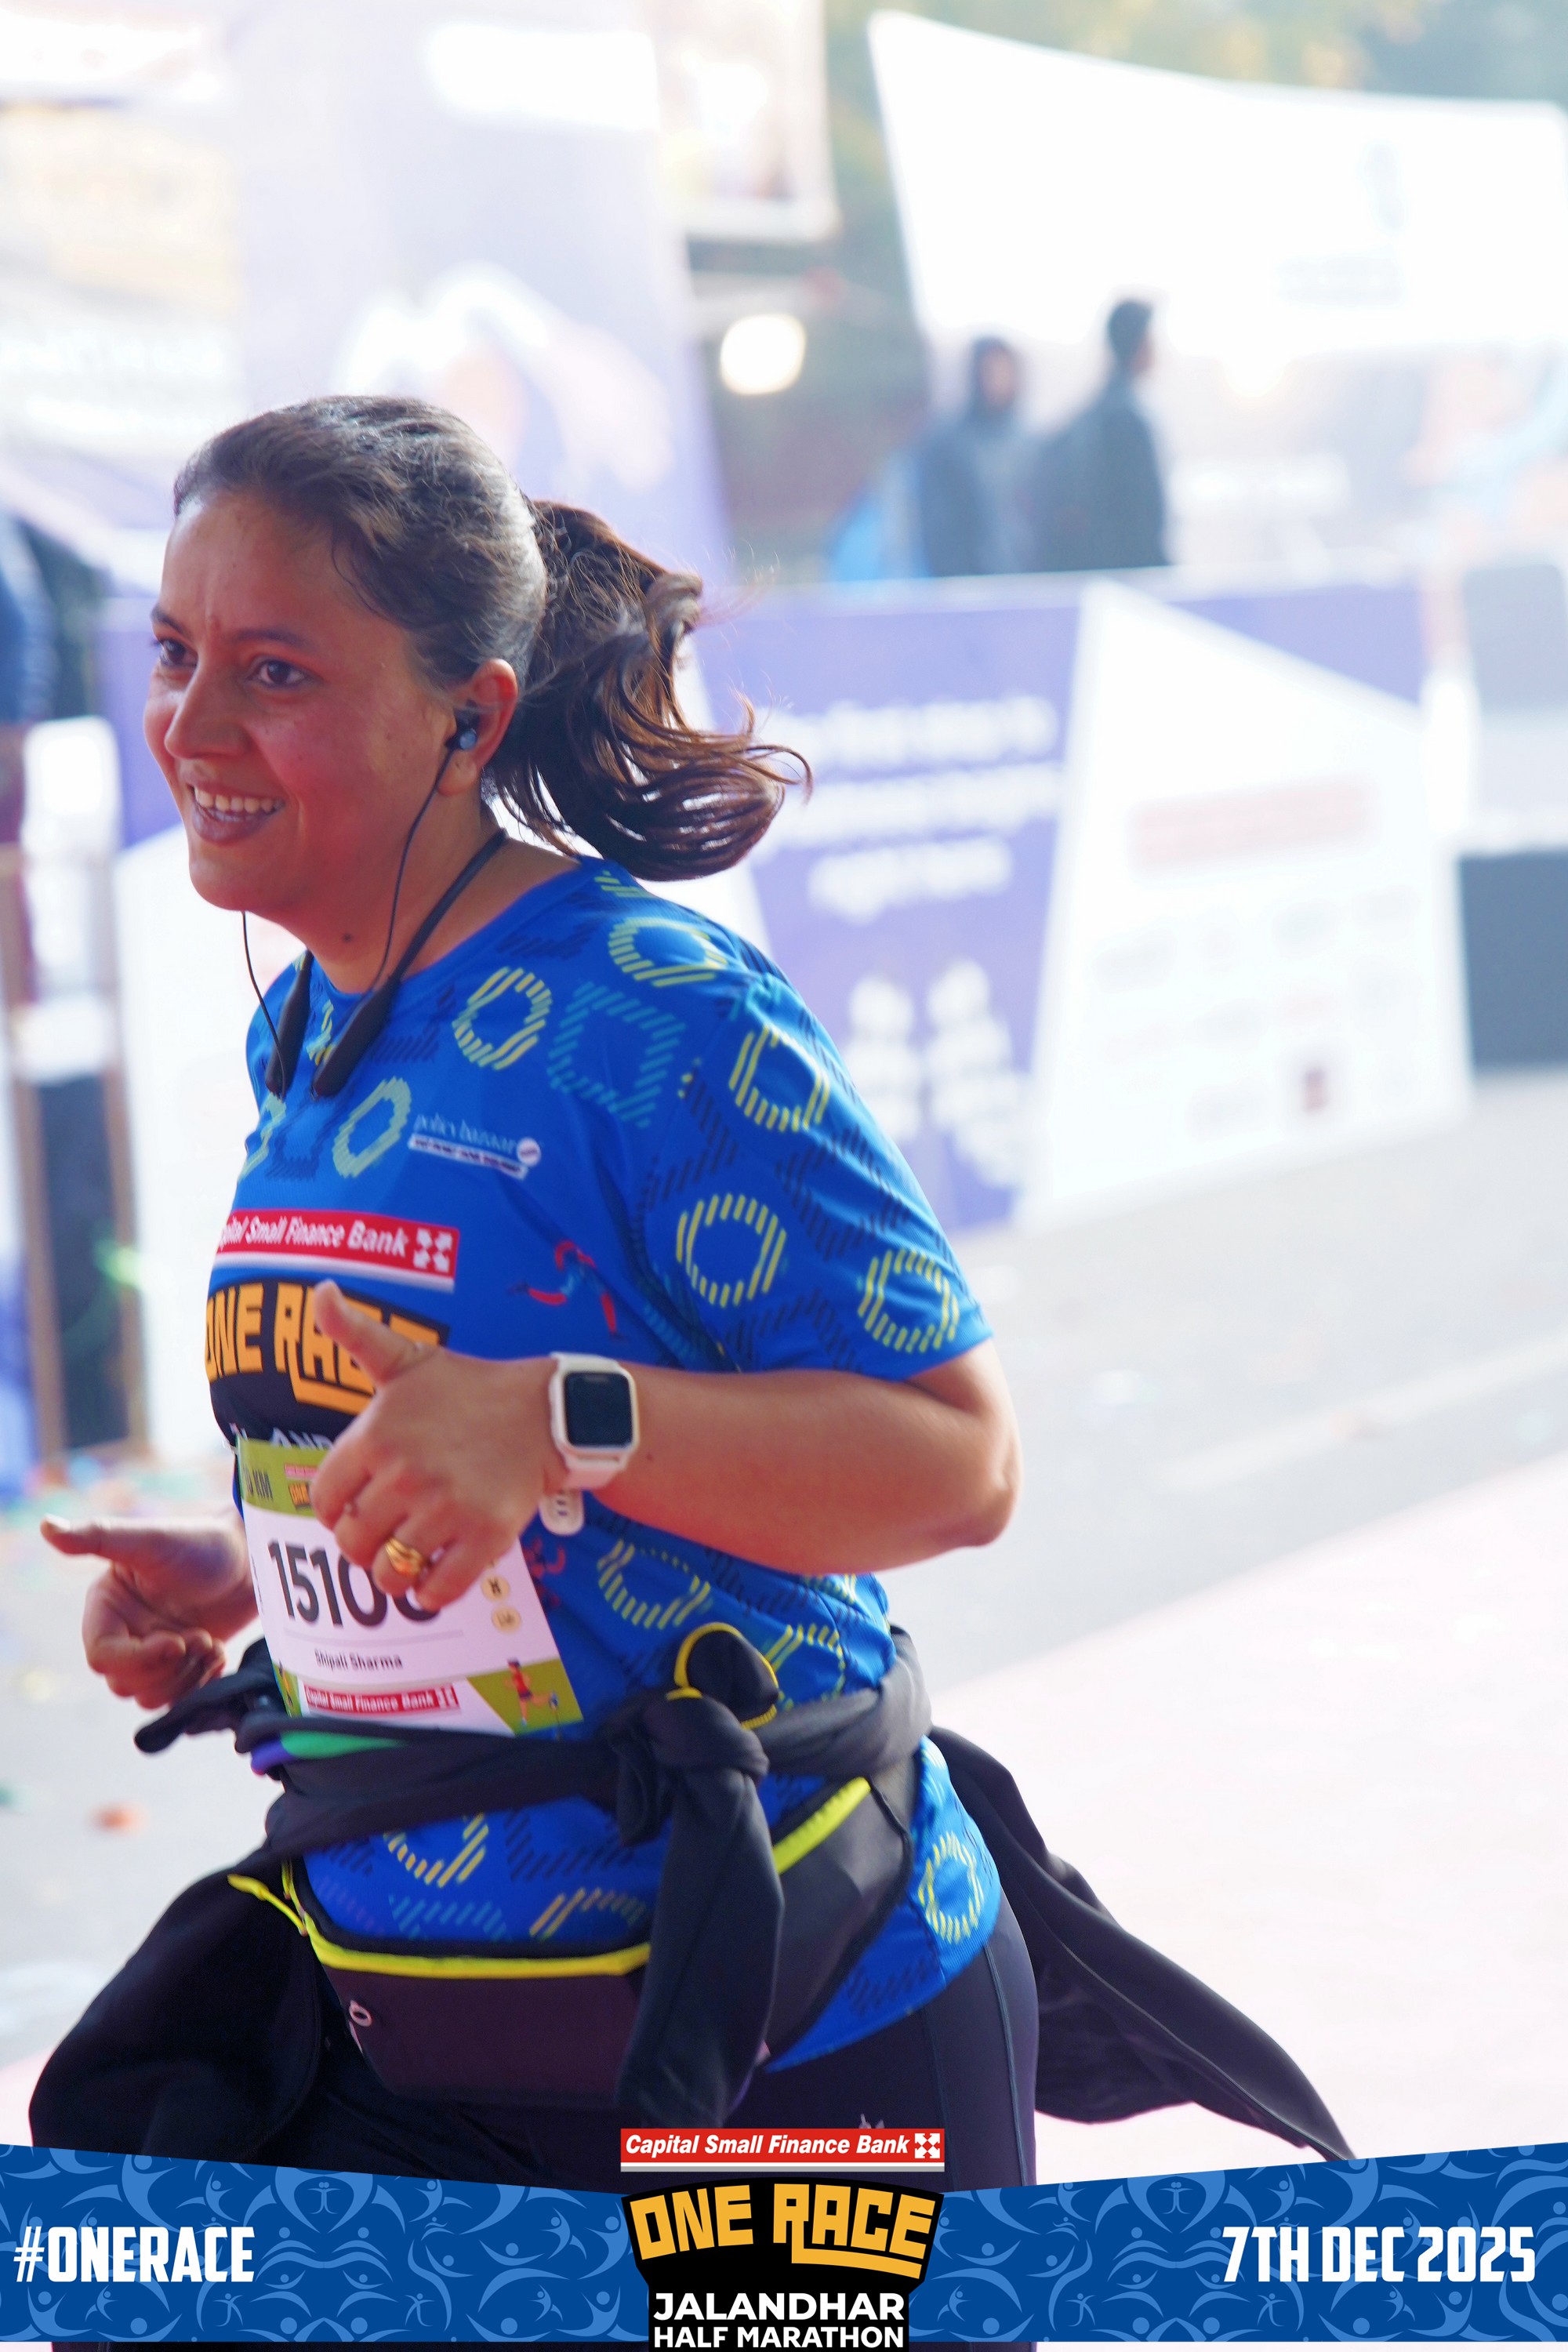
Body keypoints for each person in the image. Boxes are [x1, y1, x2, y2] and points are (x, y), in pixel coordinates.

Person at [32, 396, 1345, 2194]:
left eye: (274, 672)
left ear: (468, 716)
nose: (190, 728)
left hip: (786, 2041)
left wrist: (556, 1416)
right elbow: (460, 1444)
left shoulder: (661, 1013)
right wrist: (272, 1554)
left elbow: (956, 1462)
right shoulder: (312, 1022)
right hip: (440, 2035)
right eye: (177, 654)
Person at [1033, 298, 1169, 574]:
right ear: (1139, 345)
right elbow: (1140, 519)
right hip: (1129, 578)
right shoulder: (1126, 421)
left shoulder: (1093, 415)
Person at [914, 336, 1037, 577]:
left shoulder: (1027, 442)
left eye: (1005, 372)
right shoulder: (948, 444)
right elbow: (940, 528)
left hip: (1024, 579)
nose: (999, 382)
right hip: (970, 582)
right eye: (992, 372)